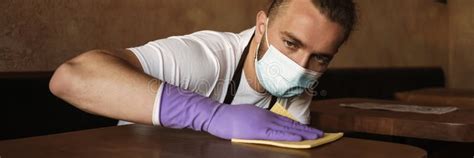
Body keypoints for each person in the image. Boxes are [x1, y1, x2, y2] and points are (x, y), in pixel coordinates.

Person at [49, 0, 356, 141]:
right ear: (262, 27)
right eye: (290, 43)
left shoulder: (300, 88)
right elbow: (70, 77)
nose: (299, 68)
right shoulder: (204, 58)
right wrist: (210, 115)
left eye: (320, 58)